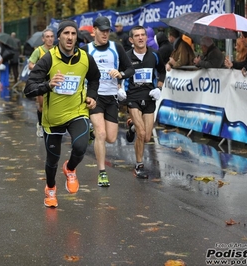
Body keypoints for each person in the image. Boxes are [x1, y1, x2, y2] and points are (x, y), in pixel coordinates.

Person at [24, 20, 100, 208]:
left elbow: (95, 79)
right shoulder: (48, 59)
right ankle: (50, 188)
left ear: (77, 37)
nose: (70, 37)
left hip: (77, 112)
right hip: (53, 118)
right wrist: (48, 85)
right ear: (59, 37)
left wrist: (91, 96)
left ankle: (71, 168)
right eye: (66, 33)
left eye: (73, 34)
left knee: (81, 146)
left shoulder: (85, 58)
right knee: (52, 159)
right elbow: (28, 89)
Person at [81, 16, 135, 187]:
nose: (105, 34)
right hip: (94, 97)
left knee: (111, 138)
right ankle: (102, 172)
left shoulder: (116, 48)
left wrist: (121, 74)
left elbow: (130, 69)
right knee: (101, 134)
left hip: (111, 97)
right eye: (102, 30)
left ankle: (92, 132)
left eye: (107, 31)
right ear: (94, 30)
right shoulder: (85, 49)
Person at [125, 26, 166, 178]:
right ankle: (139, 165)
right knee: (142, 133)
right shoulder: (126, 56)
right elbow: (119, 74)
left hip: (149, 97)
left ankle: (132, 127)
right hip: (133, 96)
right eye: (137, 36)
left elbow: (162, 71)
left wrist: (159, 88)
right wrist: (119, 89)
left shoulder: (154, 55)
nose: (141, 38)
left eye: (143, 35)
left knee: (147, 137)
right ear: (131, 40)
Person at [28, 29, 55, 138]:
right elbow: (30, 65)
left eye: (52, 36)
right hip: (41, 83)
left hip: (54, 82)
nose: (50, 39)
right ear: (43, 39)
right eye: (47, 37)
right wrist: (40, 69)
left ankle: (51, 125)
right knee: (42, 106)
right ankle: (40, 124)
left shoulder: (57, 50)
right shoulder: (38, 51)